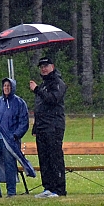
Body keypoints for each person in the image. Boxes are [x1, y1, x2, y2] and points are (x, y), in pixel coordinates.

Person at [0, 78, 30, 198]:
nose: (6, 88)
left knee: (10, 164)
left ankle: (11, 191)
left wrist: (15, 135)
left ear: (13, 87)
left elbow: (23, 122)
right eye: (4, 86)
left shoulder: (19, 103)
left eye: (9, 86)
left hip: (10, 139)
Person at [28, 57, 67, 198]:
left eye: (46, 66)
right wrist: (36, 127)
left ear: (52, 66)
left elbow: (53, 99)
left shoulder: (58, 83)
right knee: (43, 158)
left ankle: (59, 189)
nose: (43, 69)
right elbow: (40, 108)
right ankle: (48, 187)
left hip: (54, 126)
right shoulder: (43, 85)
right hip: (42, 128)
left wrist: (37, 89)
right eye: (41, 66)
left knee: (54, 157)